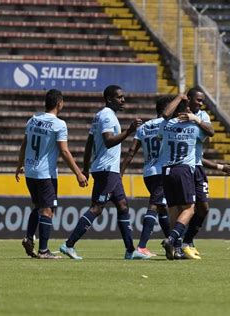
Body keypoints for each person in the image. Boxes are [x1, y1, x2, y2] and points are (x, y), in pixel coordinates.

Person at [60, 85, 150, 260]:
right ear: (109, 99)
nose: (123, 99)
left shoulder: (100, 116)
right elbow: (109, 141)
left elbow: (89, 144)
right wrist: (129, 131)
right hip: (106, 170)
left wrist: (85, 168)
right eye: (119, 97)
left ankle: (130, 250)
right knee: (97, 208)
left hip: (109, 170)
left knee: (123, 206)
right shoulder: (108, 116)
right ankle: (68, 245)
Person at [15, 89, 88, 259]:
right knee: (48, 211)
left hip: (30, 171)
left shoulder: (32, 120)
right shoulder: (59, 124)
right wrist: (78, 173)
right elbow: (64, 151)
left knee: (39, 207)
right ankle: (43, 250)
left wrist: (19, 164)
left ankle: (28, 237)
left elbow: (24, 144)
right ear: (59, 104)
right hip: (45, 174)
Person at [120, 95, 175, 257]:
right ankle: (141, 247)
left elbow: (131, 151)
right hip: (161, 172)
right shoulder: (168, 125)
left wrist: (121, 171)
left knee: (161, 207)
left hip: (148, 173)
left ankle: (172, 243)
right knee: (154, 206)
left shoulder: (144, 127)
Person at [157, 94, 208, 260]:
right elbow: (211, 132)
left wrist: (178, 99)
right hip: (183, 169)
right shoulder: (194, 127)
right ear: (184, 110)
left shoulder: (166, 125)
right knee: (189, 208)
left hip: (166, 171)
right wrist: (196, 119)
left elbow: (164, 117)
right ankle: (172, 239)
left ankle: (176, 249)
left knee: (173, 210)